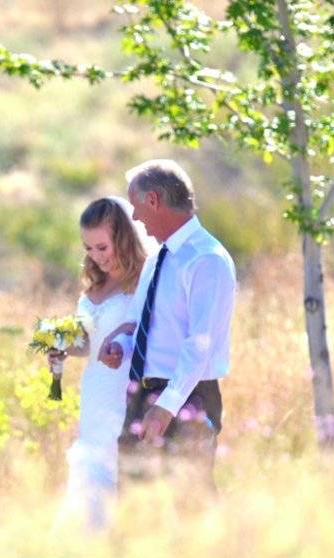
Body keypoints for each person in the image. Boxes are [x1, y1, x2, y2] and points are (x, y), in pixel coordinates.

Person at [99, 159, 236, 487]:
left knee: (190, 498)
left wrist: (166, 407)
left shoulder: (207, 259)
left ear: (154, 201)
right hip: (144, 394)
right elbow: (140, 322)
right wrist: (120, 345)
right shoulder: (158, 259)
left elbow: (199, 344)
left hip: (188, 395)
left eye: (136, 206)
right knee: (133, 499)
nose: (134, 217)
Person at [49, 196, 158, 530]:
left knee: (115, 471)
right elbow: (90, 342)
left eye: (102, 247)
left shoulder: (144, 280)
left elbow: (149, 333)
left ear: (123, 238)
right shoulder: (96, 283)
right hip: (94, 390)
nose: (96, 256)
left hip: (123, 389)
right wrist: (66, 346)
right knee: (89, 471)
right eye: (88, 249)